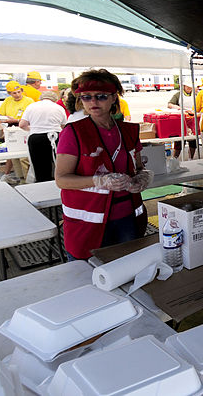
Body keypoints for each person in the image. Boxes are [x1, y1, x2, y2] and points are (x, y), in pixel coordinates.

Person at [54, 69, 152, 261]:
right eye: (86, 97)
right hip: (88, 224)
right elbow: (62, 179)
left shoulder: (129, 131)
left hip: (128, 219)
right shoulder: (73, 133)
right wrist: (99, 181)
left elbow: (138, 167)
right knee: (90, 278)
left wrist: (142, 177)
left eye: (100, 96)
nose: (93, 102)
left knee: (129, 269)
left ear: (114, 97)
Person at [20, 91, 67, 182]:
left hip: (36, 137)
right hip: (55, 137)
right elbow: (63, 126)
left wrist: (32, 129)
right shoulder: (59, 108)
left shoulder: (32, 106)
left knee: (40, 167)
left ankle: (43, 186)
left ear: (41, 98)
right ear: (54, 99)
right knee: (59, 166)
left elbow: (22, 124)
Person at [0, 81, 34, 182]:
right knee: (14, 156)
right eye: (14, 93)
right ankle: (21, 178)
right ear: (9, 93)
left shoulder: (29, 101)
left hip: (24, 129)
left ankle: (28, 180)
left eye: (19, 92)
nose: (17, 95)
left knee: (23, 156)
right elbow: (1, 115)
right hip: (11, 129)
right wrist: (5, 119)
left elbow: (31, 117)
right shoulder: (7, 101)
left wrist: (17, 120)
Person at [168, 79, 196, 160]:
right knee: (179, 141)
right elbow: (169, 104)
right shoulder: (178, 94)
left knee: (192, 140)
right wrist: (176, 107)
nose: (189, 88)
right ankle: (175, 159)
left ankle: (191, 158)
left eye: (190, 87)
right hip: (181, 119)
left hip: (192, 119)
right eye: (187, 87)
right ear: (184, 86)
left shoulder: (196, 94)